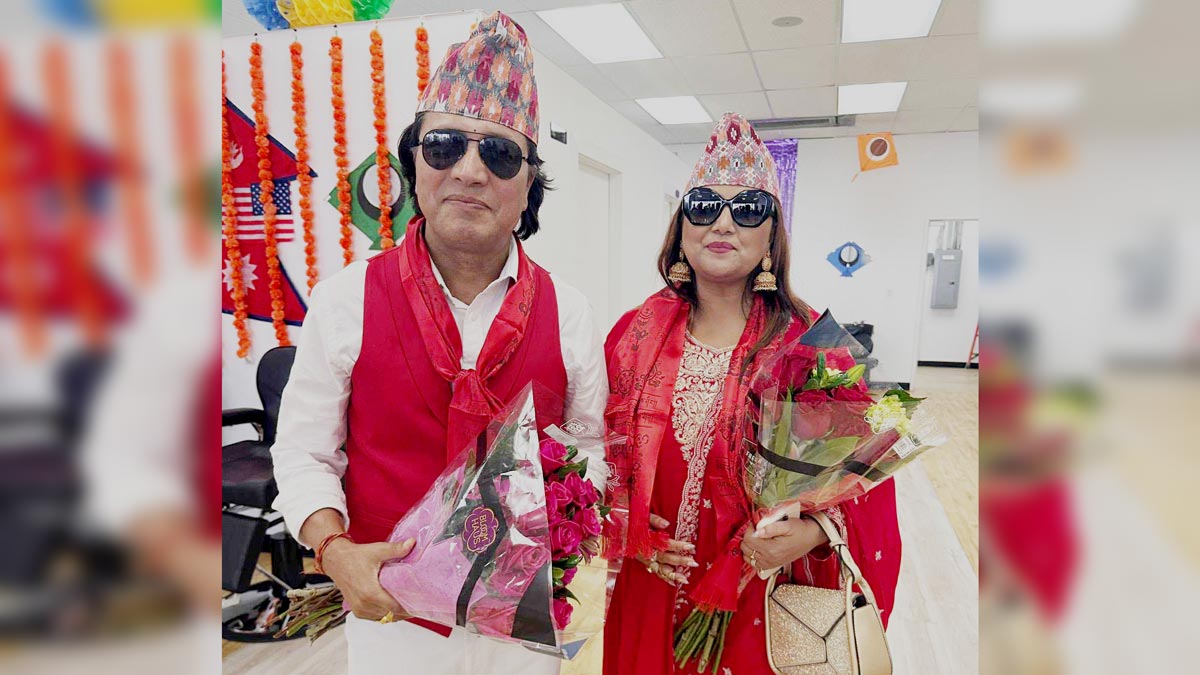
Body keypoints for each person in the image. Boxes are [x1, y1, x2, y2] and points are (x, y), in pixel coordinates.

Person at [270, 12, 607, 675]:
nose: (471, 171)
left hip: (522, 623)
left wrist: (568, 527)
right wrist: (334, 551)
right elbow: (303, 449)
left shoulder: (570, 311)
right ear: (415, 164)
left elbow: (590, 443)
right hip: (390, 616)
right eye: (445, 146)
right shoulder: (346, 299)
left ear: (529, 184)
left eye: (500, 153)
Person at [602, 112, 901, 674]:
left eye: (747, 210)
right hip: (651, 585)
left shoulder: (812, 342)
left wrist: (811, 532)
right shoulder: (631, 333)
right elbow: (594, 451)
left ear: (771, 237)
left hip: (759, 592)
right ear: (681, 228)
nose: (722, 223)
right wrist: (630, 528)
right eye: (704, 206)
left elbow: (868, 470)